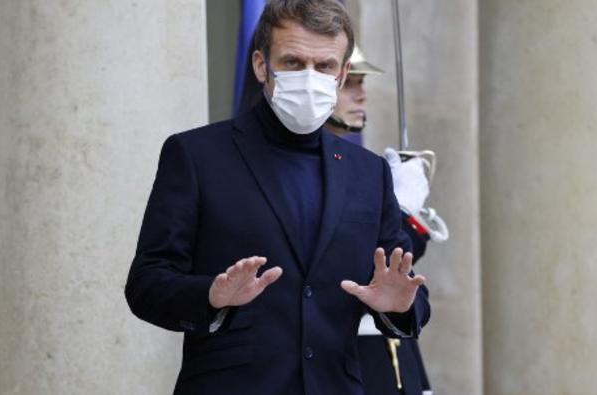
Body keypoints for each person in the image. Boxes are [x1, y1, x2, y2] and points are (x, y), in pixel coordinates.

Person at [125, 1, 430, 394]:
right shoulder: (197, 155)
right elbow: (146, 283)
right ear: (260, 66)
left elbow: (409, 289)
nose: (309, 77)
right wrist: (211, 295)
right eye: (292, 62)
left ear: (340, 76)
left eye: (324, 66)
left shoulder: (367, 173)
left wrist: (401, 305)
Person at [324, 46, 434, 395]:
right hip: (346, 354)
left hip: (391, 353)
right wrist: (402, 209)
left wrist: (406, 213)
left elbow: (401, 261)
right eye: (348, 83)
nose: (362, 94)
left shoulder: (362, 168)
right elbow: (361, 258)